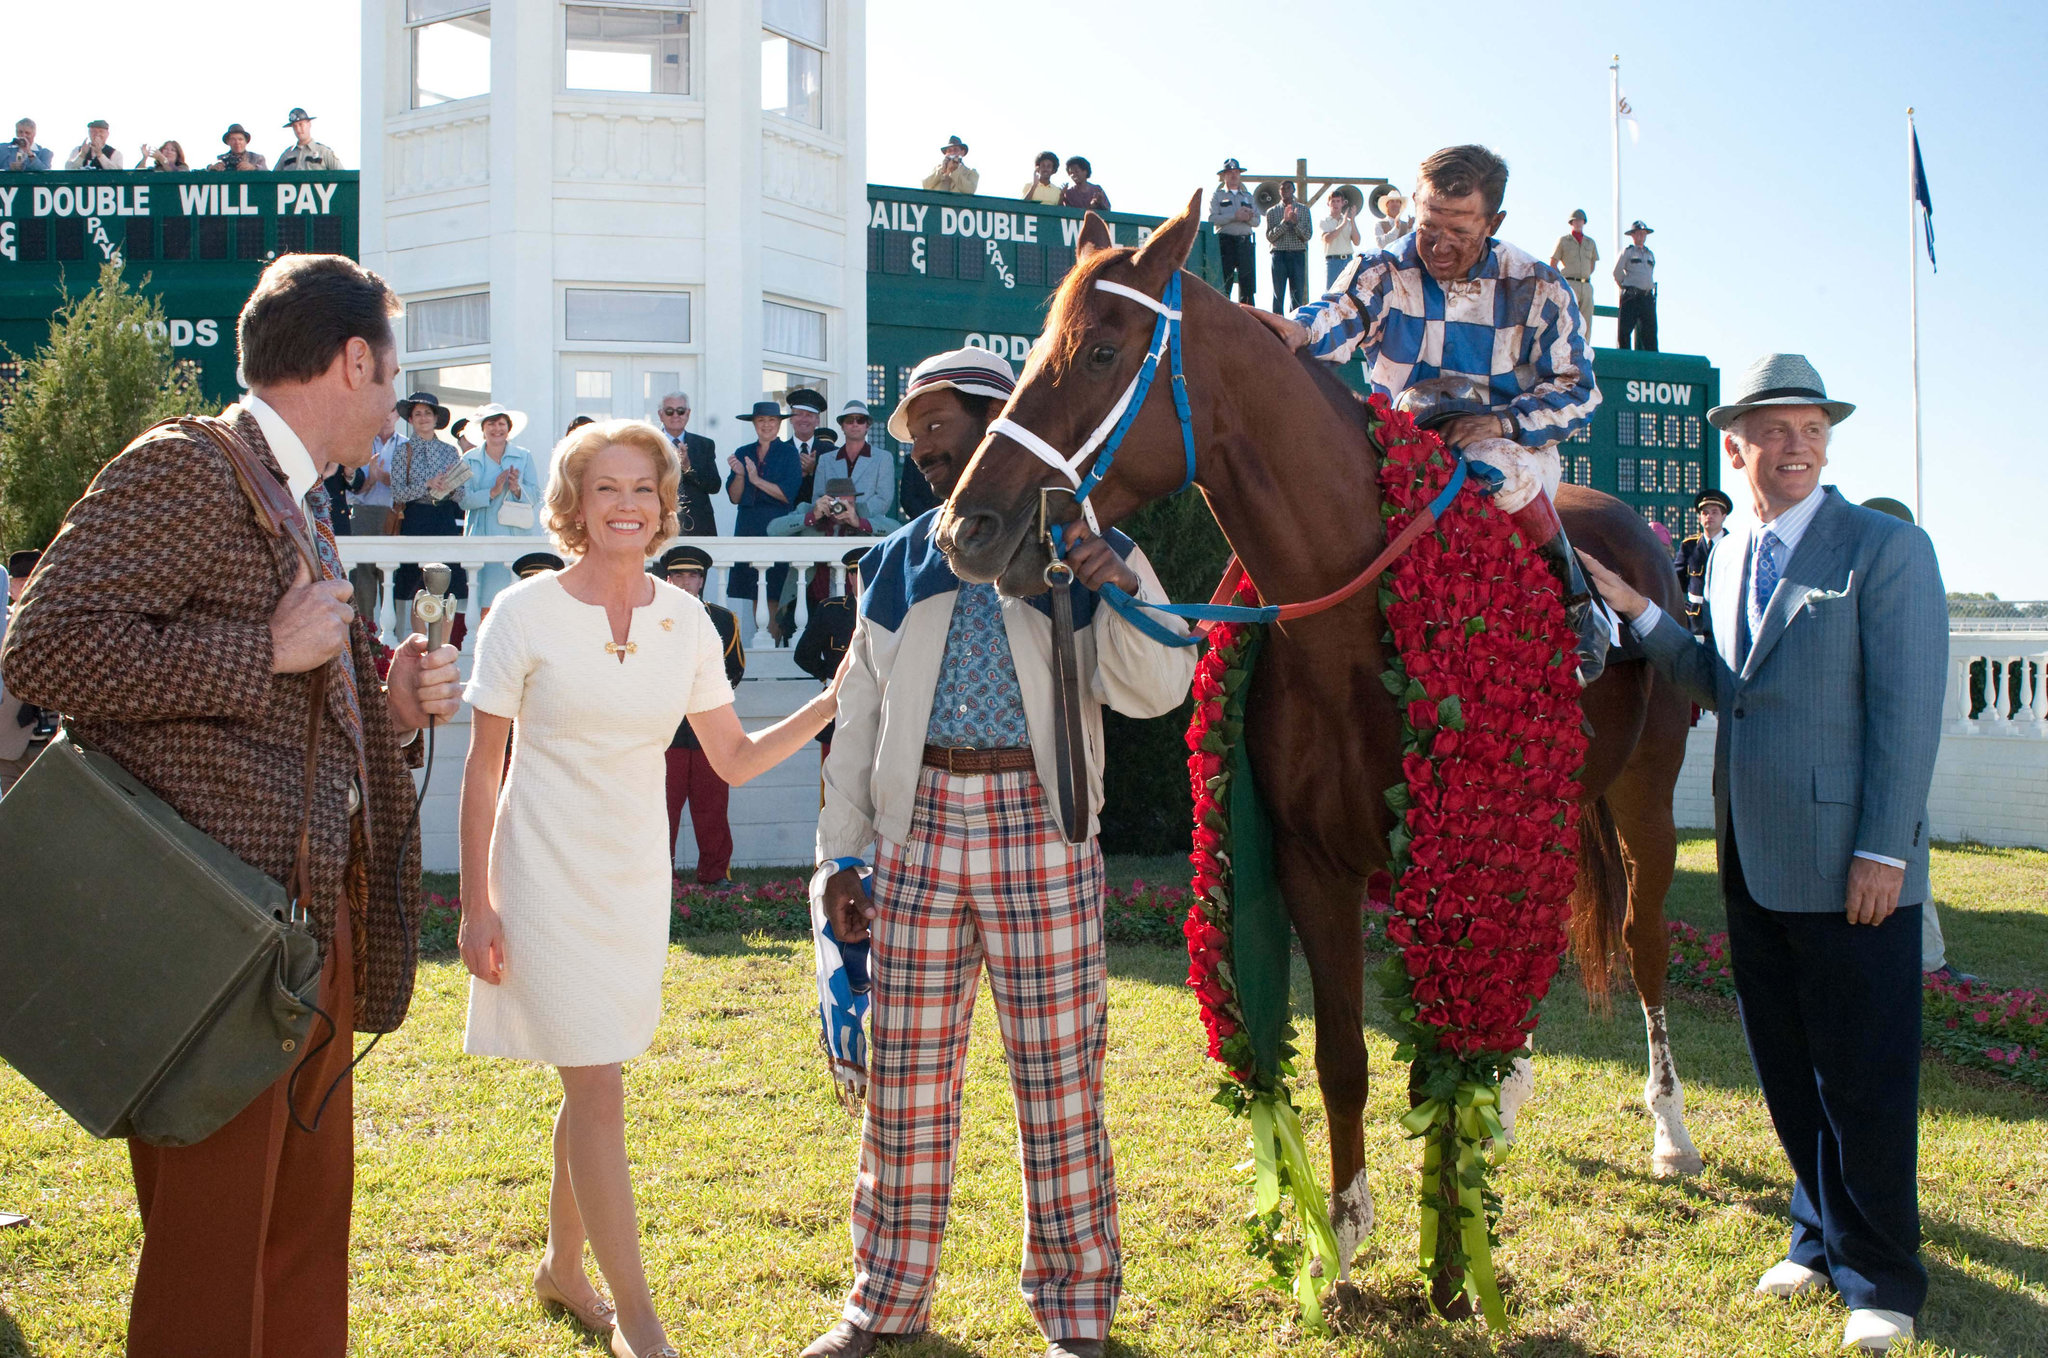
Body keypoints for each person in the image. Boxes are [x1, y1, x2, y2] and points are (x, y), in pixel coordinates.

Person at [0, 252, 462, 1356]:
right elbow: (44, 645)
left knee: (300, 1247)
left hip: (300, 935)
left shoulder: (292, 495)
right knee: (212, 1267)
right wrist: (263, 645)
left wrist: (388, 702)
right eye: (391, 377)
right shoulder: (188, 465)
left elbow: (303, 701)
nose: (395, 406)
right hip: (209, 950)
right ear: (353, 359)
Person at [804, 347, 1196, 1358]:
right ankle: (882, 1303)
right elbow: (856, 712)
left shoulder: (1072, 544)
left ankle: (1074, 1315)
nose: (926, 448)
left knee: (1060, 1078)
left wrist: (1120, 576)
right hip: (915, 829)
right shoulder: (896, 556)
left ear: (996, 419)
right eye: (916, 434)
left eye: (940, 424)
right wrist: (840, 856)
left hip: (1041, 824)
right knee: (904, 1082)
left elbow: (1158, 686)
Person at [1577, 353, 1946, 1355]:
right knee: (1786, 1064)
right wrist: (1640, 612)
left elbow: (1907, 716)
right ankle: (1815, 1236)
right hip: (1749, 855)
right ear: (1732, 445)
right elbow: (1718, 679)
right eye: (1773, 429)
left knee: (1862, 1072)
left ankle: (1880, 1278)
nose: (1795, 444)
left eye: (1810, 428)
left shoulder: (1885, 548)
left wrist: (1882, 848)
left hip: (1850, 864)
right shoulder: (1732, 553)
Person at [457, 420, 843, 1358]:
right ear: (573, 505)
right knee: (596, 1089)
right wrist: (477, 903)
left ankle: (559, 1265)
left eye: (643, 489)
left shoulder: (688, 623)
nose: (626, 505)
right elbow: (480, 769)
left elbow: (735, 758)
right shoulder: (525, 614)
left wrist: (833, 700)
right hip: (540, 874)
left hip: (635, 879)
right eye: (605, 488)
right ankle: (641, 1325)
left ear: (665, 505)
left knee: (596, 1071)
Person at [1249, 143, 1608, 684]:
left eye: (1460, 232)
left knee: (1498, 465)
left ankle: (1575, 604)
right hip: (1402, 445)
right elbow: (1338, 314)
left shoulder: (1540, 286)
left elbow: (1580, 392)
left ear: (1495, 221)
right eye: (1428, 225)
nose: (1439, 245)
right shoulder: (1383, 270)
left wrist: (1502, 422)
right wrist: (1301, 330)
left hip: (1508, 449)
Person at [656, 544, 745, 885]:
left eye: (692, 575)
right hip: (666, 728)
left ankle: (714, 873)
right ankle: (659, 877)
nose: (685, 582)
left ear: (702, 580)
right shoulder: (651, 618)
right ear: (668, 578)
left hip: (710, 727)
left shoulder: (722, 619)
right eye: (678, 575)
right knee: (663, 808)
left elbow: (734, 668)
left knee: (712, 805)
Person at [457, 404, 547, 612]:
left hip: (516, 537)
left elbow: (535, 495)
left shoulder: (524, 456)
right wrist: (492, 491)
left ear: (509, 427)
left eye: (501, 423)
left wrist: (516, 488)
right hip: (482, 537)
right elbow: (463, 499)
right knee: (485, 604)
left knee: (519, 603)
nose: (496, 428)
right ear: (483, 429)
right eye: (491, 424)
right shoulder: (469, 459)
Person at [725, 399, 803, 638]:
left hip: (776, 527)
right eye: (761, 420)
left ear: (779, 424)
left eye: (771, 420)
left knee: (774, 592)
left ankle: (773, 645)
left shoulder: (789, 453)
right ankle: (762, 643)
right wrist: (740, 475)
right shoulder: (743, 452)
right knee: (753, 589)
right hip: (748, 526)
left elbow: (787, 495)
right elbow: (734, 497)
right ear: (754, 424)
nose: (766, 425)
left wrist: (757, 480)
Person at [388, 390, 469, 611]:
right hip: (416, 519)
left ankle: (443, 638)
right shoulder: (402, 452)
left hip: (443, 519)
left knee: (447, 583)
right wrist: (427, 484)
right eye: (418, 413)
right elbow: (397, 494)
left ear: (435, 419)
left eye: (428, 413)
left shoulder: (450, 451)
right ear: (411, 419)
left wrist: (450, 488)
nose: (423, 418)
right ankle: (416, 638)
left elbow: (461, 495)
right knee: (416, 585)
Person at [794, 545, 865, 760]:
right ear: (850, 577)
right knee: (832, 779)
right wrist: (829, 677)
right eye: (857, 573)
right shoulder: (831, 611)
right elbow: (804, 655)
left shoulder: (890, 613)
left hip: (876, 709)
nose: (863, 579)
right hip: (838, 705)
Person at [0, 550, 53, 794]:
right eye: (22, 583)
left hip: (54, 743)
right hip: (10, 745)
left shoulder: (58, 622)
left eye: (34, 581)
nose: (28, 588)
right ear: (10, 588)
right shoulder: (3, 625)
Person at [349, 404, 403, 623]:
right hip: (362, 516)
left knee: (392, 582)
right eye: (383, 410)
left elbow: (411, 488)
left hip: (394, 518)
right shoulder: (359, 445)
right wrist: (371, 478)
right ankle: (368, 643)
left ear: (398, 415)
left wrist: (384, 477)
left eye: (391, 410)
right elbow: (351, 487)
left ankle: (396, 642)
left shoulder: (407, 447)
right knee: (362, 585)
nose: (386, 415)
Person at [655, 391, 720, 536]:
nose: (676, 415)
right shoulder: (649, 444)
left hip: (698, 523)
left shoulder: (704, 445)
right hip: (660, 521)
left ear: (688, 413)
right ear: (660, 414)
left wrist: (687, 467)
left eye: (680, 411)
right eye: (669, 411)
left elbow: (714, 486)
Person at [1676, 487, 1733, 635]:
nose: (1709, 516)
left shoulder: (1735, 545)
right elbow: (1677, 580)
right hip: (1694, 619)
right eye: (1705, 513)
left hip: (1725, 616)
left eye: (1715, 512)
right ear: (1700, 517)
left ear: (1724, 516)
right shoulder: (1689, 545)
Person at [824, 399, 889, 522]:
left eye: (860, 420)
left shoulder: (883, 458)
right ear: (842, 426)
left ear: (867, 426)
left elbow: (884, 499)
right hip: (832, 529)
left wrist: (855, 516)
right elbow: (818, 496)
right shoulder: (826, 460)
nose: (855, 424)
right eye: (849, 420)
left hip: (867, 528)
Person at [1208, 158, 1257, 305]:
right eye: (1230, 173)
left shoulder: (1248, 197)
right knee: (1224, 282)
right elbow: (1213, 219)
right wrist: (1235, 216)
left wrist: (1246, 217)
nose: (1234, 175)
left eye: (1236, 172)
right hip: (1225, 242)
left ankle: (1249, 318)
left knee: (1247, 284)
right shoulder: (1218, 196)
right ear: (1224, 176)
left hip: (1245, 242)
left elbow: (1257, 221)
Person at [1264, 179, 1312, 313]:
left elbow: (1307, 235)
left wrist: (1296, 223)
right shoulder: (1272, 212)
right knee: (1278, 294)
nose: (1285, 191)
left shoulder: (1303, 210)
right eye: (1282, 188)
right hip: (1279, 255)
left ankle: (1294, 323)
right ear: (1279, 192)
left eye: (1288, 188)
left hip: (1297, 254)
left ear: (1293, 190)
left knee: (1297, 295)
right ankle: (1277, 325)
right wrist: (1284, 223)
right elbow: (1270, 236)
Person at [1549, 209, 1599, 323]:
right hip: (1569, 284)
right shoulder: (1563, 241)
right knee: (1567, 319)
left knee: (1586, 321)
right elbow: (1553, 263)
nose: (1578, 223)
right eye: (1575, 220)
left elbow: (1592, 264)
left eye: (1580, 220)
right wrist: (1562, 281)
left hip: (1586, 285)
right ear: (1571, 223)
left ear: (1584, 222)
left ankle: (1585, 342)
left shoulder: (1590, 242)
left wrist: (1583, 275)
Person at [1614, 219, 1658, 351]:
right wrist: (1627, 286)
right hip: (1631, 296)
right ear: (1633, 235)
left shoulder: (1650, 254)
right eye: (1638, 233)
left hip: (1647, 297)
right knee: (1624, 331)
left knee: (1650, 332)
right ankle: (1625, 360)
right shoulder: (1628, 252)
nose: (1641, 236)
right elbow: (1617, 272)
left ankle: (1651, 362)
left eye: (1643, 234)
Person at [787, 387, 829, 504]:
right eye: (799, 414)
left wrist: (814, 470)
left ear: (817, 421)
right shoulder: (780, 450)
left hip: (822, 519)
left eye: (809, 415)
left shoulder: (831, 452)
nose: (804, 419)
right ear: (791, 418)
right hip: (786, 519)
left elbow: (837, 488)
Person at [1318, 189, 1362, 287]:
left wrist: (1352, 220)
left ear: (1343, 203)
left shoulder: (1349, 221)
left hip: (1348, 260)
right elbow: (1327, 239)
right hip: (1333, 261)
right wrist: (1342, 225)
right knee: (1332, 294)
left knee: (1350, 292)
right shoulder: (1324, 221)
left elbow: (1357, 241)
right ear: (1328, 204)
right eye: (1333, 201)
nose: (1335, 204)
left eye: (1338, 201)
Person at [276, 108, 343, 171]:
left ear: (309, 124)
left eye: (301, 124)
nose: (298, 129)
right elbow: (272, 179)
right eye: (294, 126)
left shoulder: (324, 152)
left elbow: (343, 177)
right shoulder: (286, 155)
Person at [1368, 183, 1412, 251]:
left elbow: (1410, 246)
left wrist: (1410, 228)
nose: (1395, 204)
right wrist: (1396, 228)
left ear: (1400, 205)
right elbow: (1381, 244)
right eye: (1392, 201)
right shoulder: (1379, 224)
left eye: (1397, 202)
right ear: (1387, 205)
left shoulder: (1406, 225)